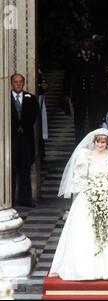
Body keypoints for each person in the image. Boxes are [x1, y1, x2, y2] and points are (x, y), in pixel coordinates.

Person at [49, 129, 108, 280]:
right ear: (94, 142)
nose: (101, 144)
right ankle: (85, 267)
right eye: (98, 142)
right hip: (89, 193)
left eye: (104, 142)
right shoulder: (85, 155)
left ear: (107, 143)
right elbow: (79, 177)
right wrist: (91, 186)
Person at [63, 35, 106, 143]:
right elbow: (68, 76)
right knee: (79, 121)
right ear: (82, 42)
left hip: (93, 93)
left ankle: (95, 144)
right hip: (79, 94)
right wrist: (66, 93)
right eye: (85, 40)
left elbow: (101, 76)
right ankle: (79, 144)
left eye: (89, 41)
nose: (88, 43)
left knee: (94, 120)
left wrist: (102, 93)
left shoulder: (97, 56)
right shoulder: (74, 56)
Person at [11, 73, 39, 208]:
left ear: (24, 83)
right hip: (11, 140)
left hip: (26, 139)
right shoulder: (5, 98)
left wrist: (24, 125)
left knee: (25, 170)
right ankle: (9, 200)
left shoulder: (31, 98)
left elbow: (34, 116)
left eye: (20, 81)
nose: (18, 84)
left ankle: (25, 199)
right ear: (11, 83)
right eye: (15, 82)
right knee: (11, 170)